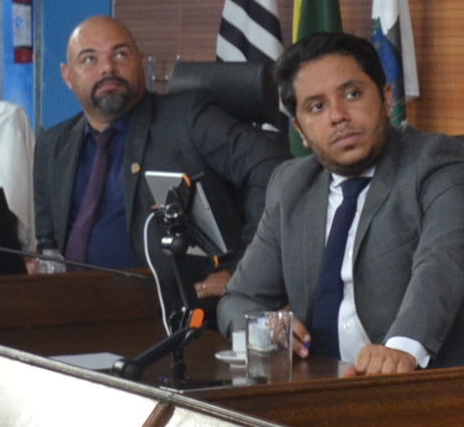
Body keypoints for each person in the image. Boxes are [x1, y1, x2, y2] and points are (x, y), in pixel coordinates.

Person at [217, 31, 464, 374]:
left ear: (387, 98)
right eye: (318, 106)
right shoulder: (291, 185)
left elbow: (443, 262)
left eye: (352, 94)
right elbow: (238, 300)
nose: (338, 115)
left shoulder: (438, 163)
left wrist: (401, 348)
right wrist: (262, 327)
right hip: (328, 386)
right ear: (300, 129)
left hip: (452, 383)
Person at [34, 16, 288, 282]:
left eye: (120, 54)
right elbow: (47, 243)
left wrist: (242, 269)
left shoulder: (187, 117)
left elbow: (273, 166)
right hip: (72, 304)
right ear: (67, 76)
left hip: (167, 309)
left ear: (142, 63)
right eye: (89, 59)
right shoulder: (52, 146)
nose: (107, 67)